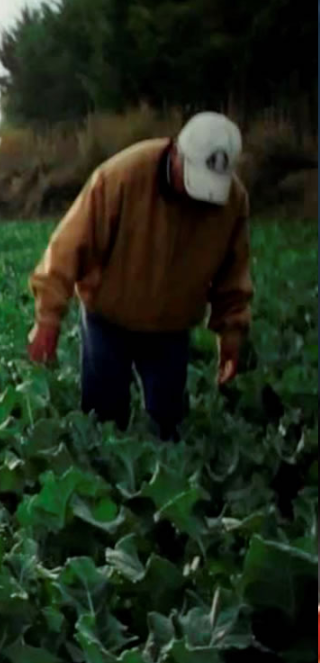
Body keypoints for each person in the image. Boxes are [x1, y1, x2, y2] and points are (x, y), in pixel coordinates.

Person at [27, 111, 253, 440]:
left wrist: (231, 331)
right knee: (103, 421)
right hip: (108, 319)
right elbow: (68, 247)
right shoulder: (121, 176)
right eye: (194, 178)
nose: (199, 195)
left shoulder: (232, 201)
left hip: (171, 328)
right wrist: (48, 319)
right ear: (176, 152)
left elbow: (234, 272)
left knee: (168, 425)